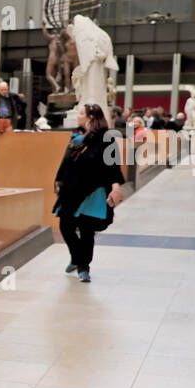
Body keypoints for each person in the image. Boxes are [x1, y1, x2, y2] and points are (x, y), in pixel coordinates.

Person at [53, 103, 124, 283]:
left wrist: (115, 187)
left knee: (86, 229)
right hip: (72, 189)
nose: (78, 116)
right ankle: (77, 258)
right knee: (65, 226)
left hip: (93, 190)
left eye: (81, 113)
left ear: (91, 118)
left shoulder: (106, 139)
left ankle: (84, 267)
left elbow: (113, 166)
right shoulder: (76, 136)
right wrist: (59, 179)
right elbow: (66, 161)